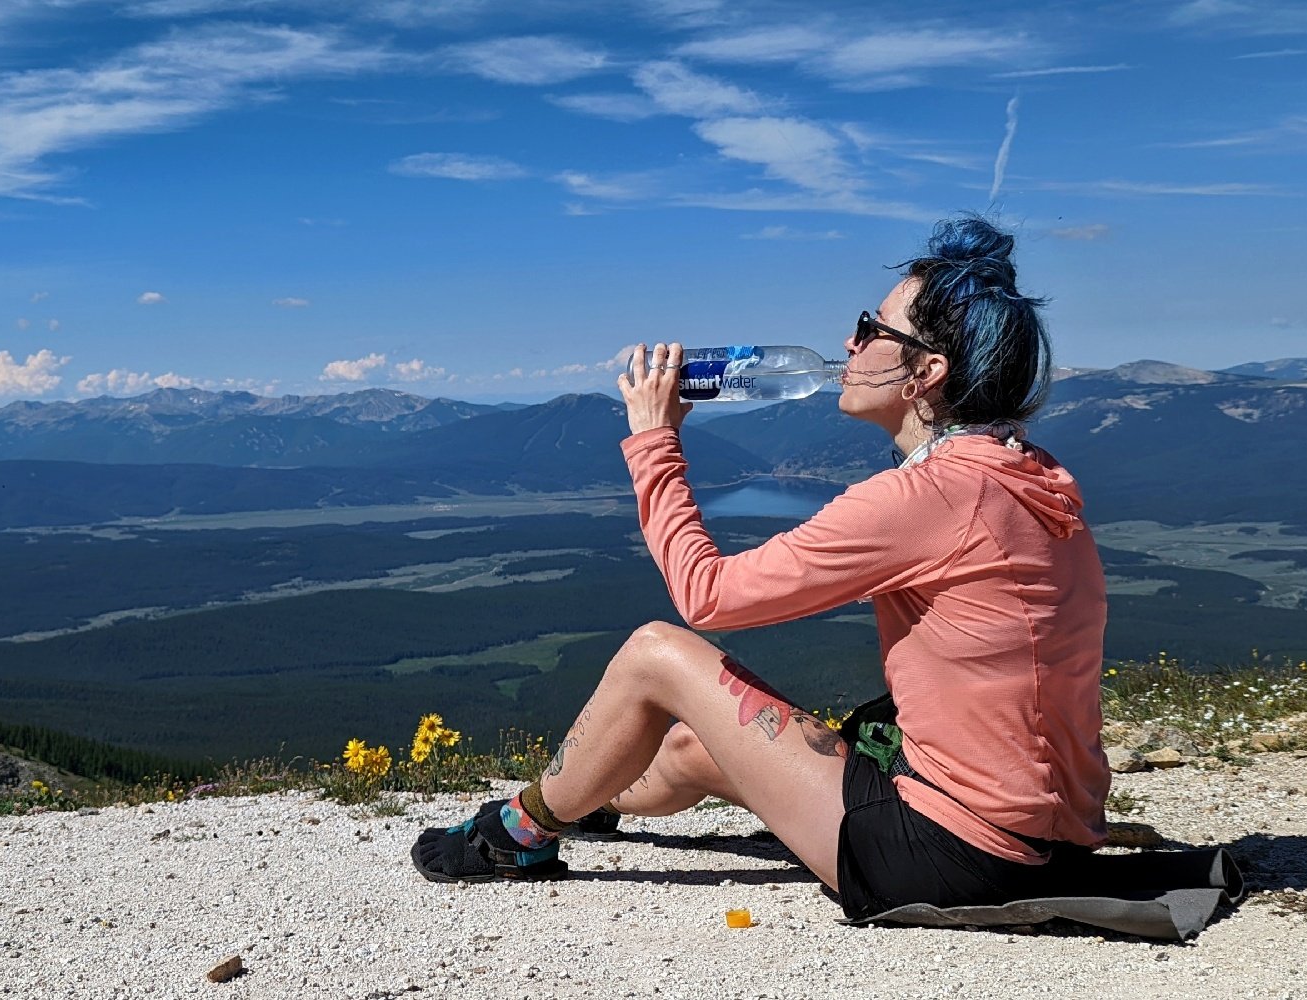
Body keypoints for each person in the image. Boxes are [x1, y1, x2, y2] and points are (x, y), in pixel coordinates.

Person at [412, 215, 1110, 921]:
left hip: (955, 854)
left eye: (873, 328)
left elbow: (706, 597)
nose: (851, 341)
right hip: (1054, 840)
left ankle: (518, 832)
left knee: (655, 653)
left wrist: (655, 440)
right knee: (687, 746)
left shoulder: (931, 497)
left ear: (926, 372)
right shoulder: (1033, 475)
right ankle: (582, 799)